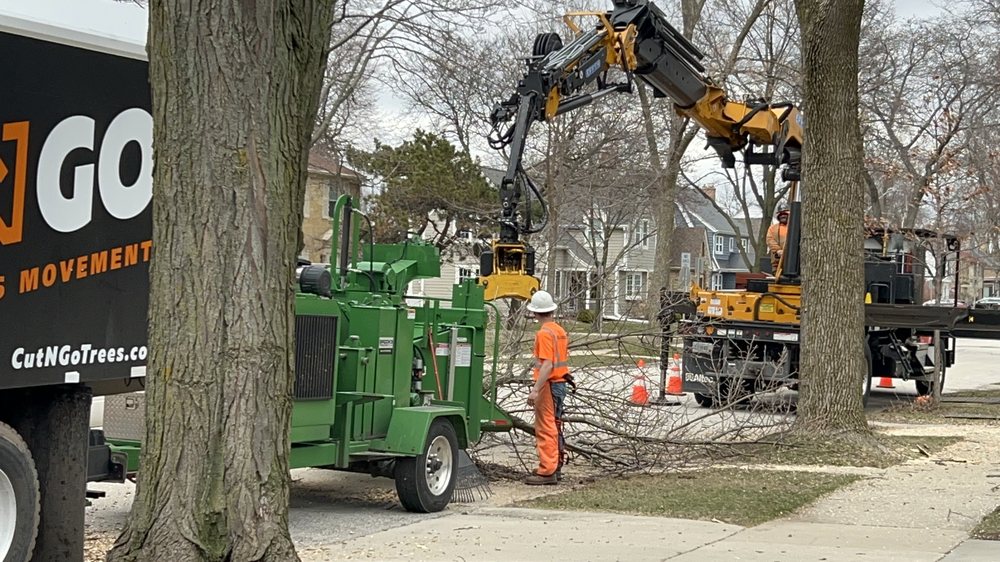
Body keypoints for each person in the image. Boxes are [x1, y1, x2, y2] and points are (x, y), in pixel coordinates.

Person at [524, 290, 569, 485]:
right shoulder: (559, 330)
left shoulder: (544, 333)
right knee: (555, 426)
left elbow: (548, 364)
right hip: (560, 383)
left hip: (548, 385)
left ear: (535, 313)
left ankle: (547, 470)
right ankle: (555, 466)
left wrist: (535, 389)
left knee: (545, 428)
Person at [766, 207, 790, 272]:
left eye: (785, 214)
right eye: (781, 214)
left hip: (792, 261)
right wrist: (778, 250)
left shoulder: (793, 227)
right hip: (777, 262)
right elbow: (770, 240)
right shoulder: (773, 228)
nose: (783, 216)